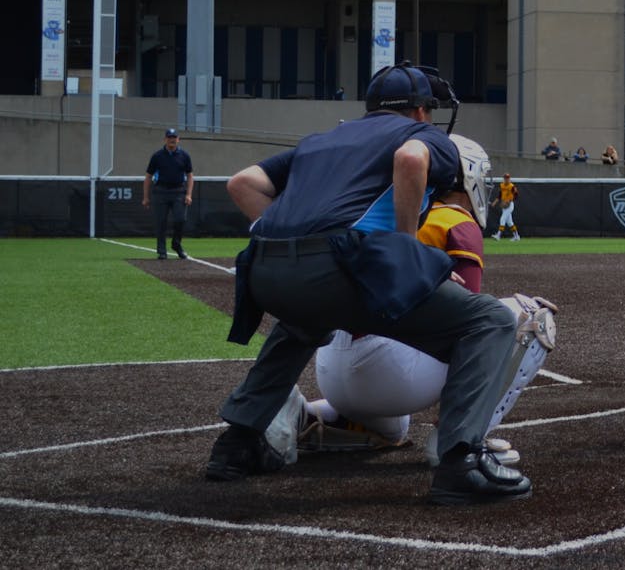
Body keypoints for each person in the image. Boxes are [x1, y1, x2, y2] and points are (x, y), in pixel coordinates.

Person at [208, 62, 533, 505]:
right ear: (421, 111)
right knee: (491, 321)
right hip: (342, 263)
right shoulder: (421, 135)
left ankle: (237, 443)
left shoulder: (321, 140)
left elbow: (242, 183)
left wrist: (290, 240)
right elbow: (411, 159)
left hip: (264, 269)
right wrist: (407, 253)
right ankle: (461, 460)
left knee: (304, 321)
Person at [298, 134, 558, 469]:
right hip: (388, 371)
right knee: (530, 317)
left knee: (393, 427)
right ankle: (460, 440)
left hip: (333, 370)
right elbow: (471, 327)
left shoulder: (377, 211)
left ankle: (302, 414)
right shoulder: (456, 221)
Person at [143, 127, 194, 260]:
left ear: (178, 139)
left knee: (180, 219)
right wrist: (146, 197)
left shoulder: (184, 156)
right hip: (160, 192)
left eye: (174, 138)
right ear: (165, 139)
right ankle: (162, 251)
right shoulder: (157, 156)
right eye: (169, 138)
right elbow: (148, 176)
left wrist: (188, 194)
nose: (172, 140)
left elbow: (190, 176)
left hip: (179, 192)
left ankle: (176, 244)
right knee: (161, 222)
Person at [490, 173, 520, 241]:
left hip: (510, 205)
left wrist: (510, 200)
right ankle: (516, 236)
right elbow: (499, 196)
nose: (507, 179)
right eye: (505, 178)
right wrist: (494, 202)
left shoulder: (512, 186)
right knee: (510, 223)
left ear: (509, 179)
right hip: (504, 205)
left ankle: (498, 235)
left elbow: (516, 195)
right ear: (504, 179)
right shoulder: (502, 185)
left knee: (502, 219)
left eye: (508, 178)